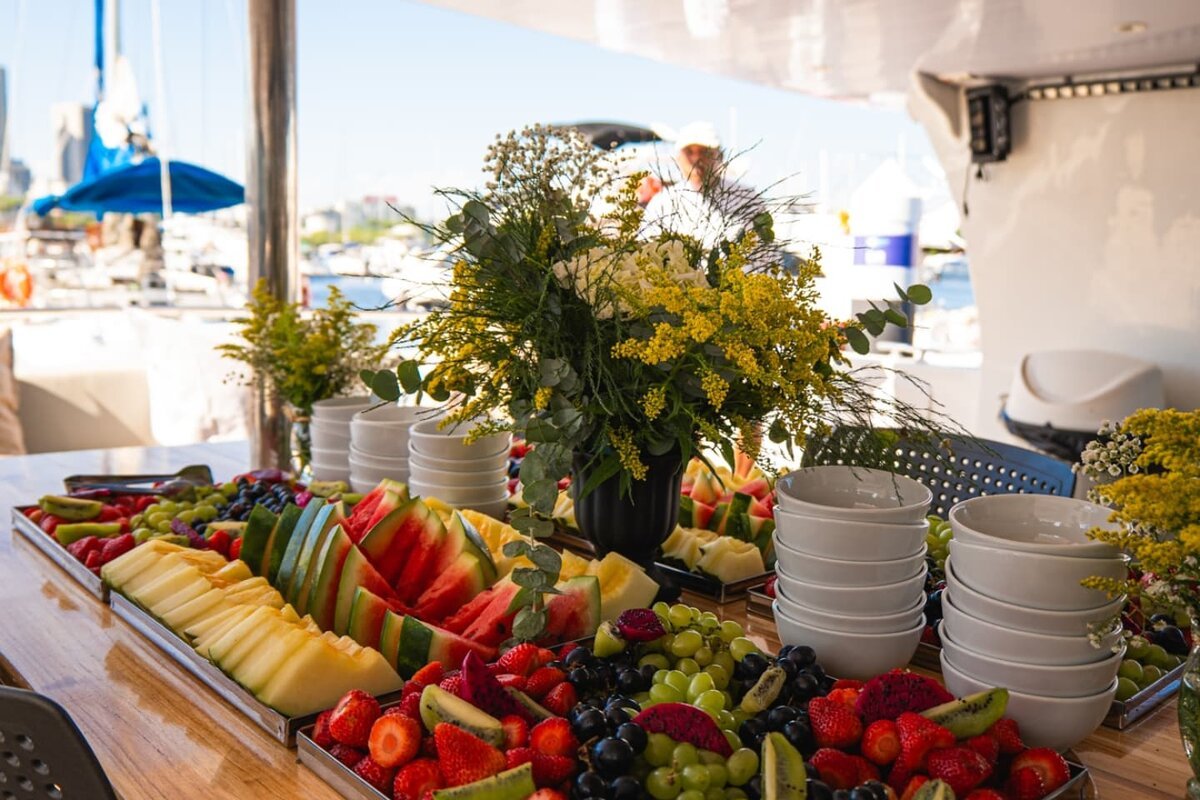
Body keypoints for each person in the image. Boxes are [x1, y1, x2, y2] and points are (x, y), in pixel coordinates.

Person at [641, 121, 763, 251]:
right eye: (689, 152)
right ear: (678, 158)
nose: (697, 159)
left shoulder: (747, 198)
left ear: (720, 156)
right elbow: (646, 251)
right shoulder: (662, 203)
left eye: (705, 152)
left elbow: (766, 253)